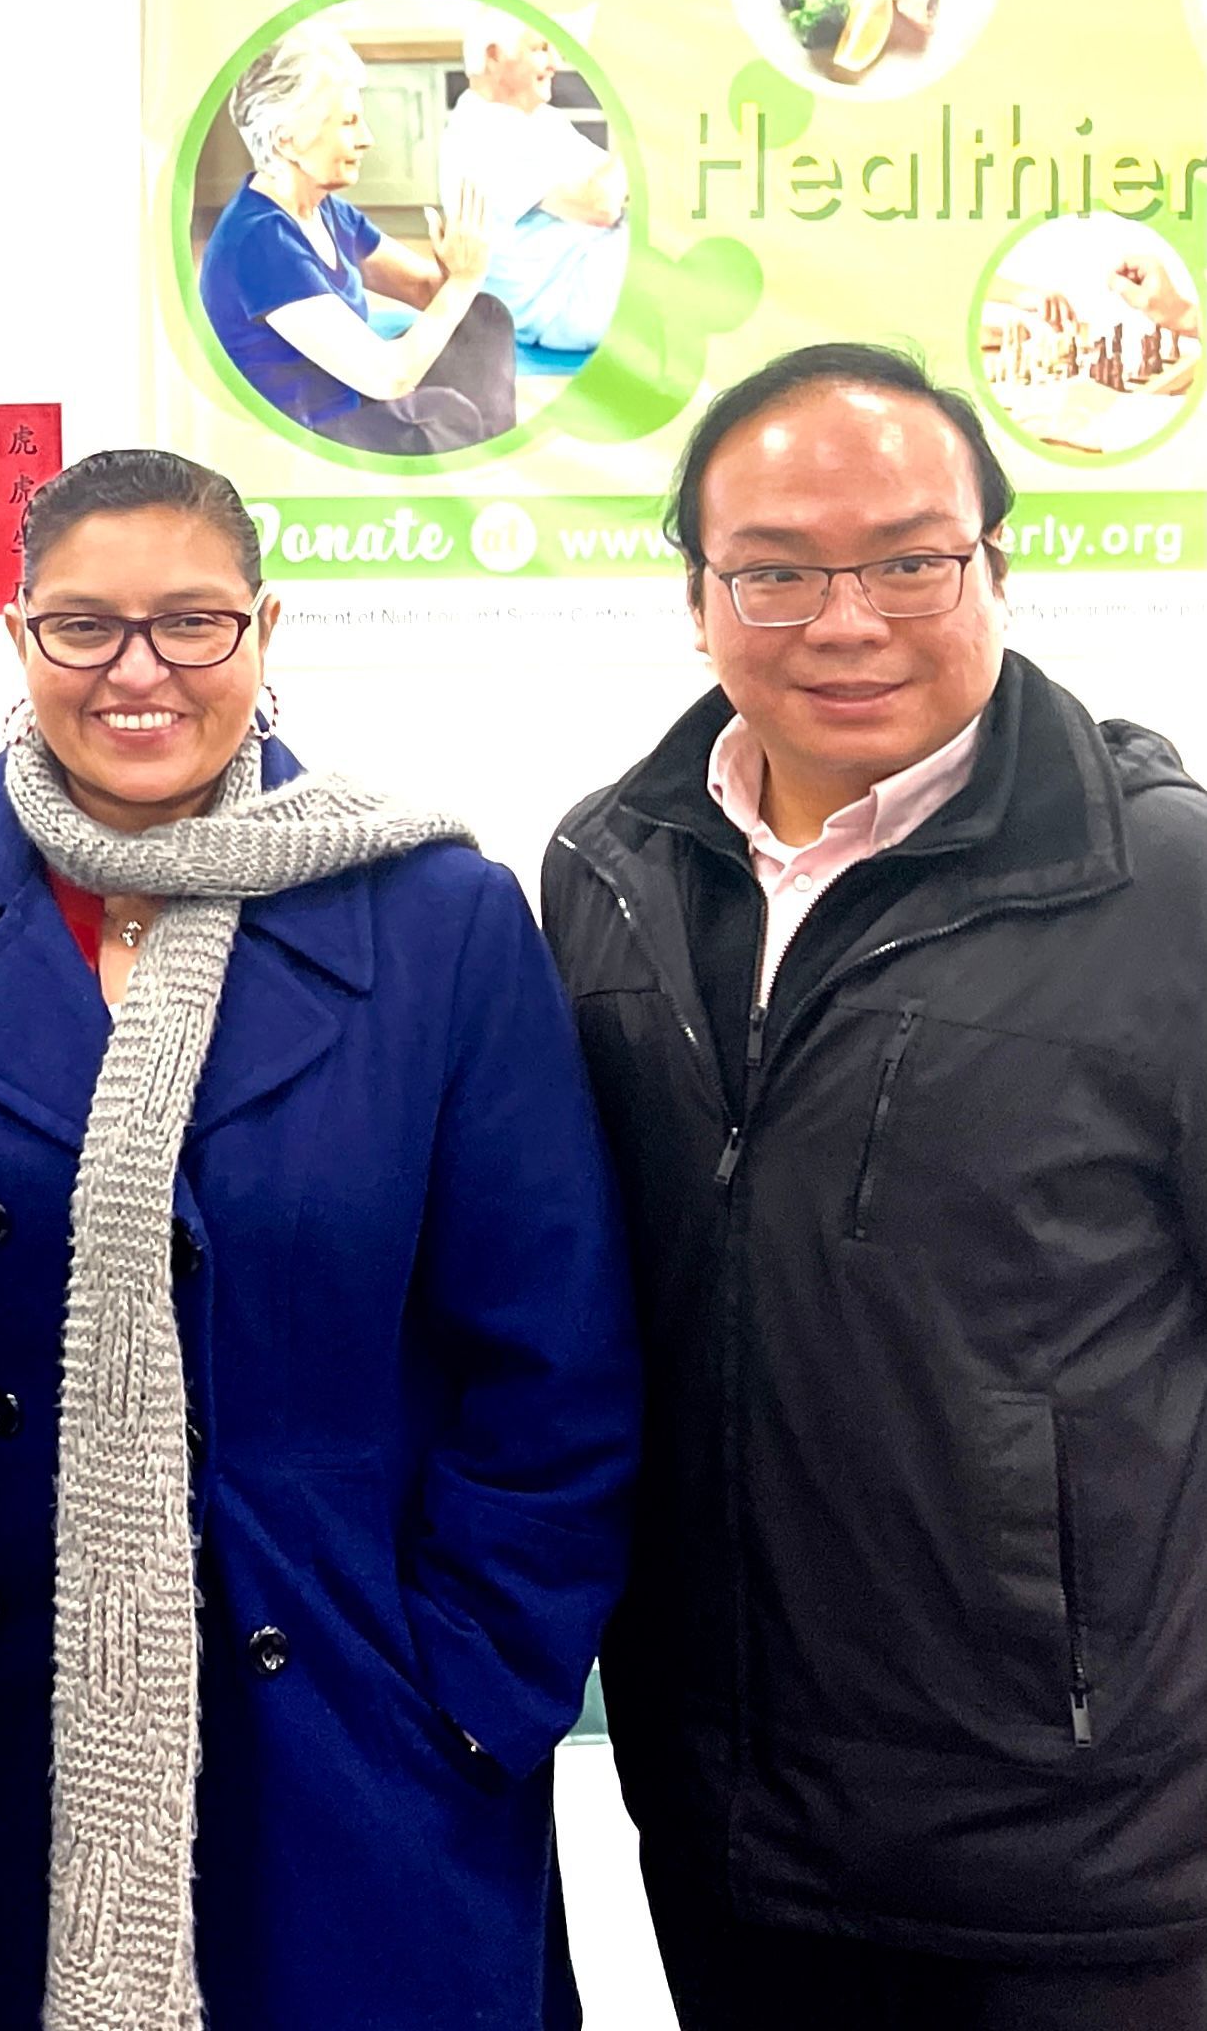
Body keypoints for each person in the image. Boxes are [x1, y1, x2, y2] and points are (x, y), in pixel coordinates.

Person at [0, 448, 638, 2028]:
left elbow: (553, 1365)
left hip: (344, 1720)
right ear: (14, 635)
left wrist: (464, 1691)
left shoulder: (430, 908)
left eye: (190, 623)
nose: (137, 673)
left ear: (263, 628)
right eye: (82, 627)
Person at [542, 342, 1207, 2028]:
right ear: (694, 593)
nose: (844, 619)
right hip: (722, 1820)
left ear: (996, 556)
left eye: (909, 557)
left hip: (1085, 1858)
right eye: (771, 568)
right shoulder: (604, 872)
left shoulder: (1163, 887)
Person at [198, 26, 515, 455]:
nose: (367, 138)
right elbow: (388, 377)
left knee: (486, 317)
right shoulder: (260, 243)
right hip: (312, 437)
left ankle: (484, 464)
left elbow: (425, 290)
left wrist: (454, 268)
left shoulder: (323, 209)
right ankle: (479, 469)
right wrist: (461, 282)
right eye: (349, 122)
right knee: (448, 413)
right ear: (285, 138)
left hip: (349, 399)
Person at [438, 10, 625, 355]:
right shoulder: (482, 133)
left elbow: (613, 185)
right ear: (493, 56)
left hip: (585, 274)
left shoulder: (539, 121)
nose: (555, 62)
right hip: (560, 308)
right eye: (540, 48)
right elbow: (602, 206)